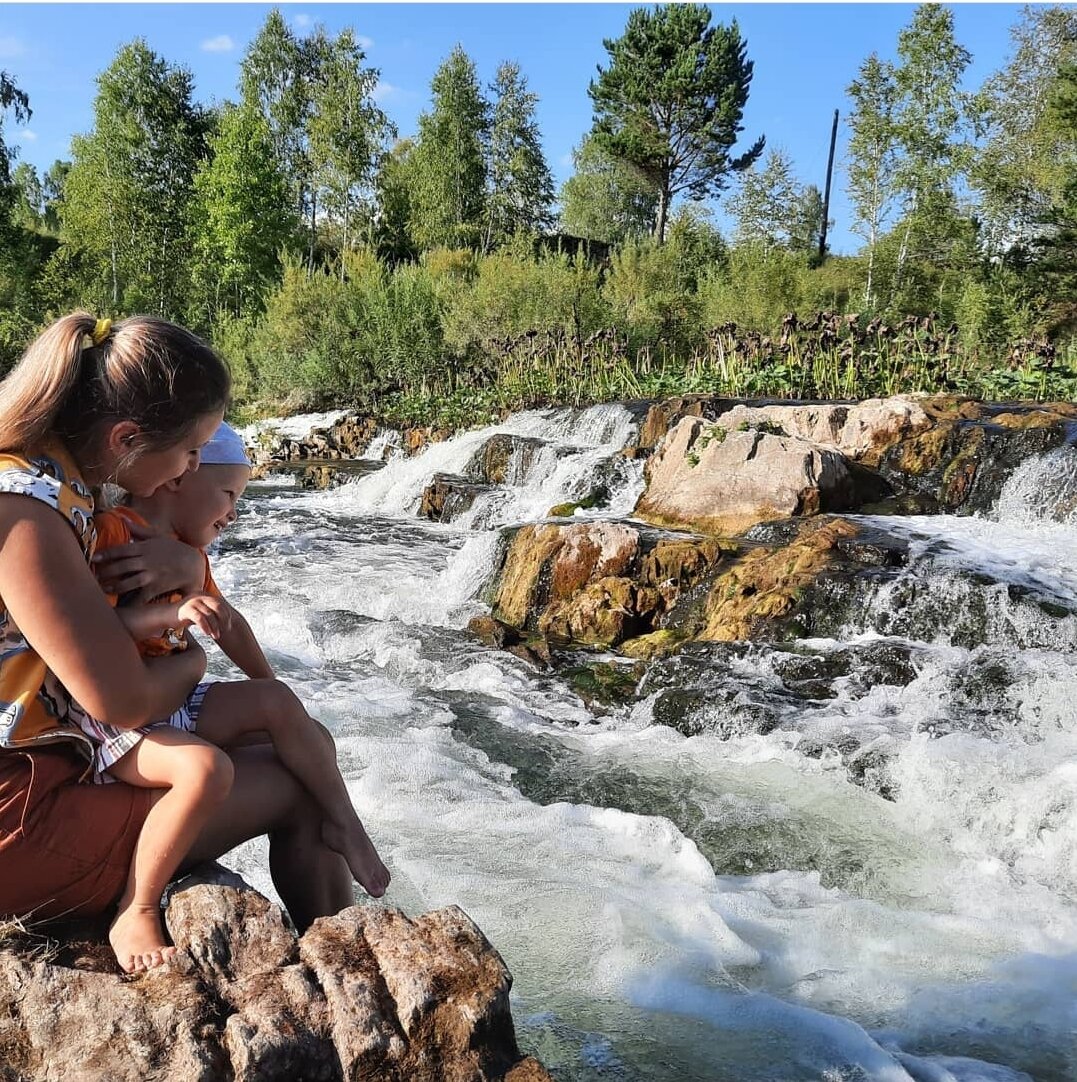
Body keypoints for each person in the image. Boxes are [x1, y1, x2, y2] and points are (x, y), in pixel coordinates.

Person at [0, 313, 381, 977]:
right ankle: (342, 981)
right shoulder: (27, 510)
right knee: (298, 785)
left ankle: (337, 970)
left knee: (293, 740)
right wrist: (196, 658)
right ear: (125, 438)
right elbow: (120, 699)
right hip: (20, 812)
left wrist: (182, 566)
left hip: (49, 764)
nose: (193, 468)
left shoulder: (58, 481)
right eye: (190, 451)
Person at [77, 421, 388, 969]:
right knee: (212, 767)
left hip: (170, 702)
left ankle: (345, 821)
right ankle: (140, 903)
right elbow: (89, 630)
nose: (234, 512)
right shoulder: (112, 532)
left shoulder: (186, 552)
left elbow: (228, 624)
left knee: (296, 722)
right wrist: (170, 611)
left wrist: (271, 695)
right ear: (179, 478)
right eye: (228, 495)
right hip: (120, 723)